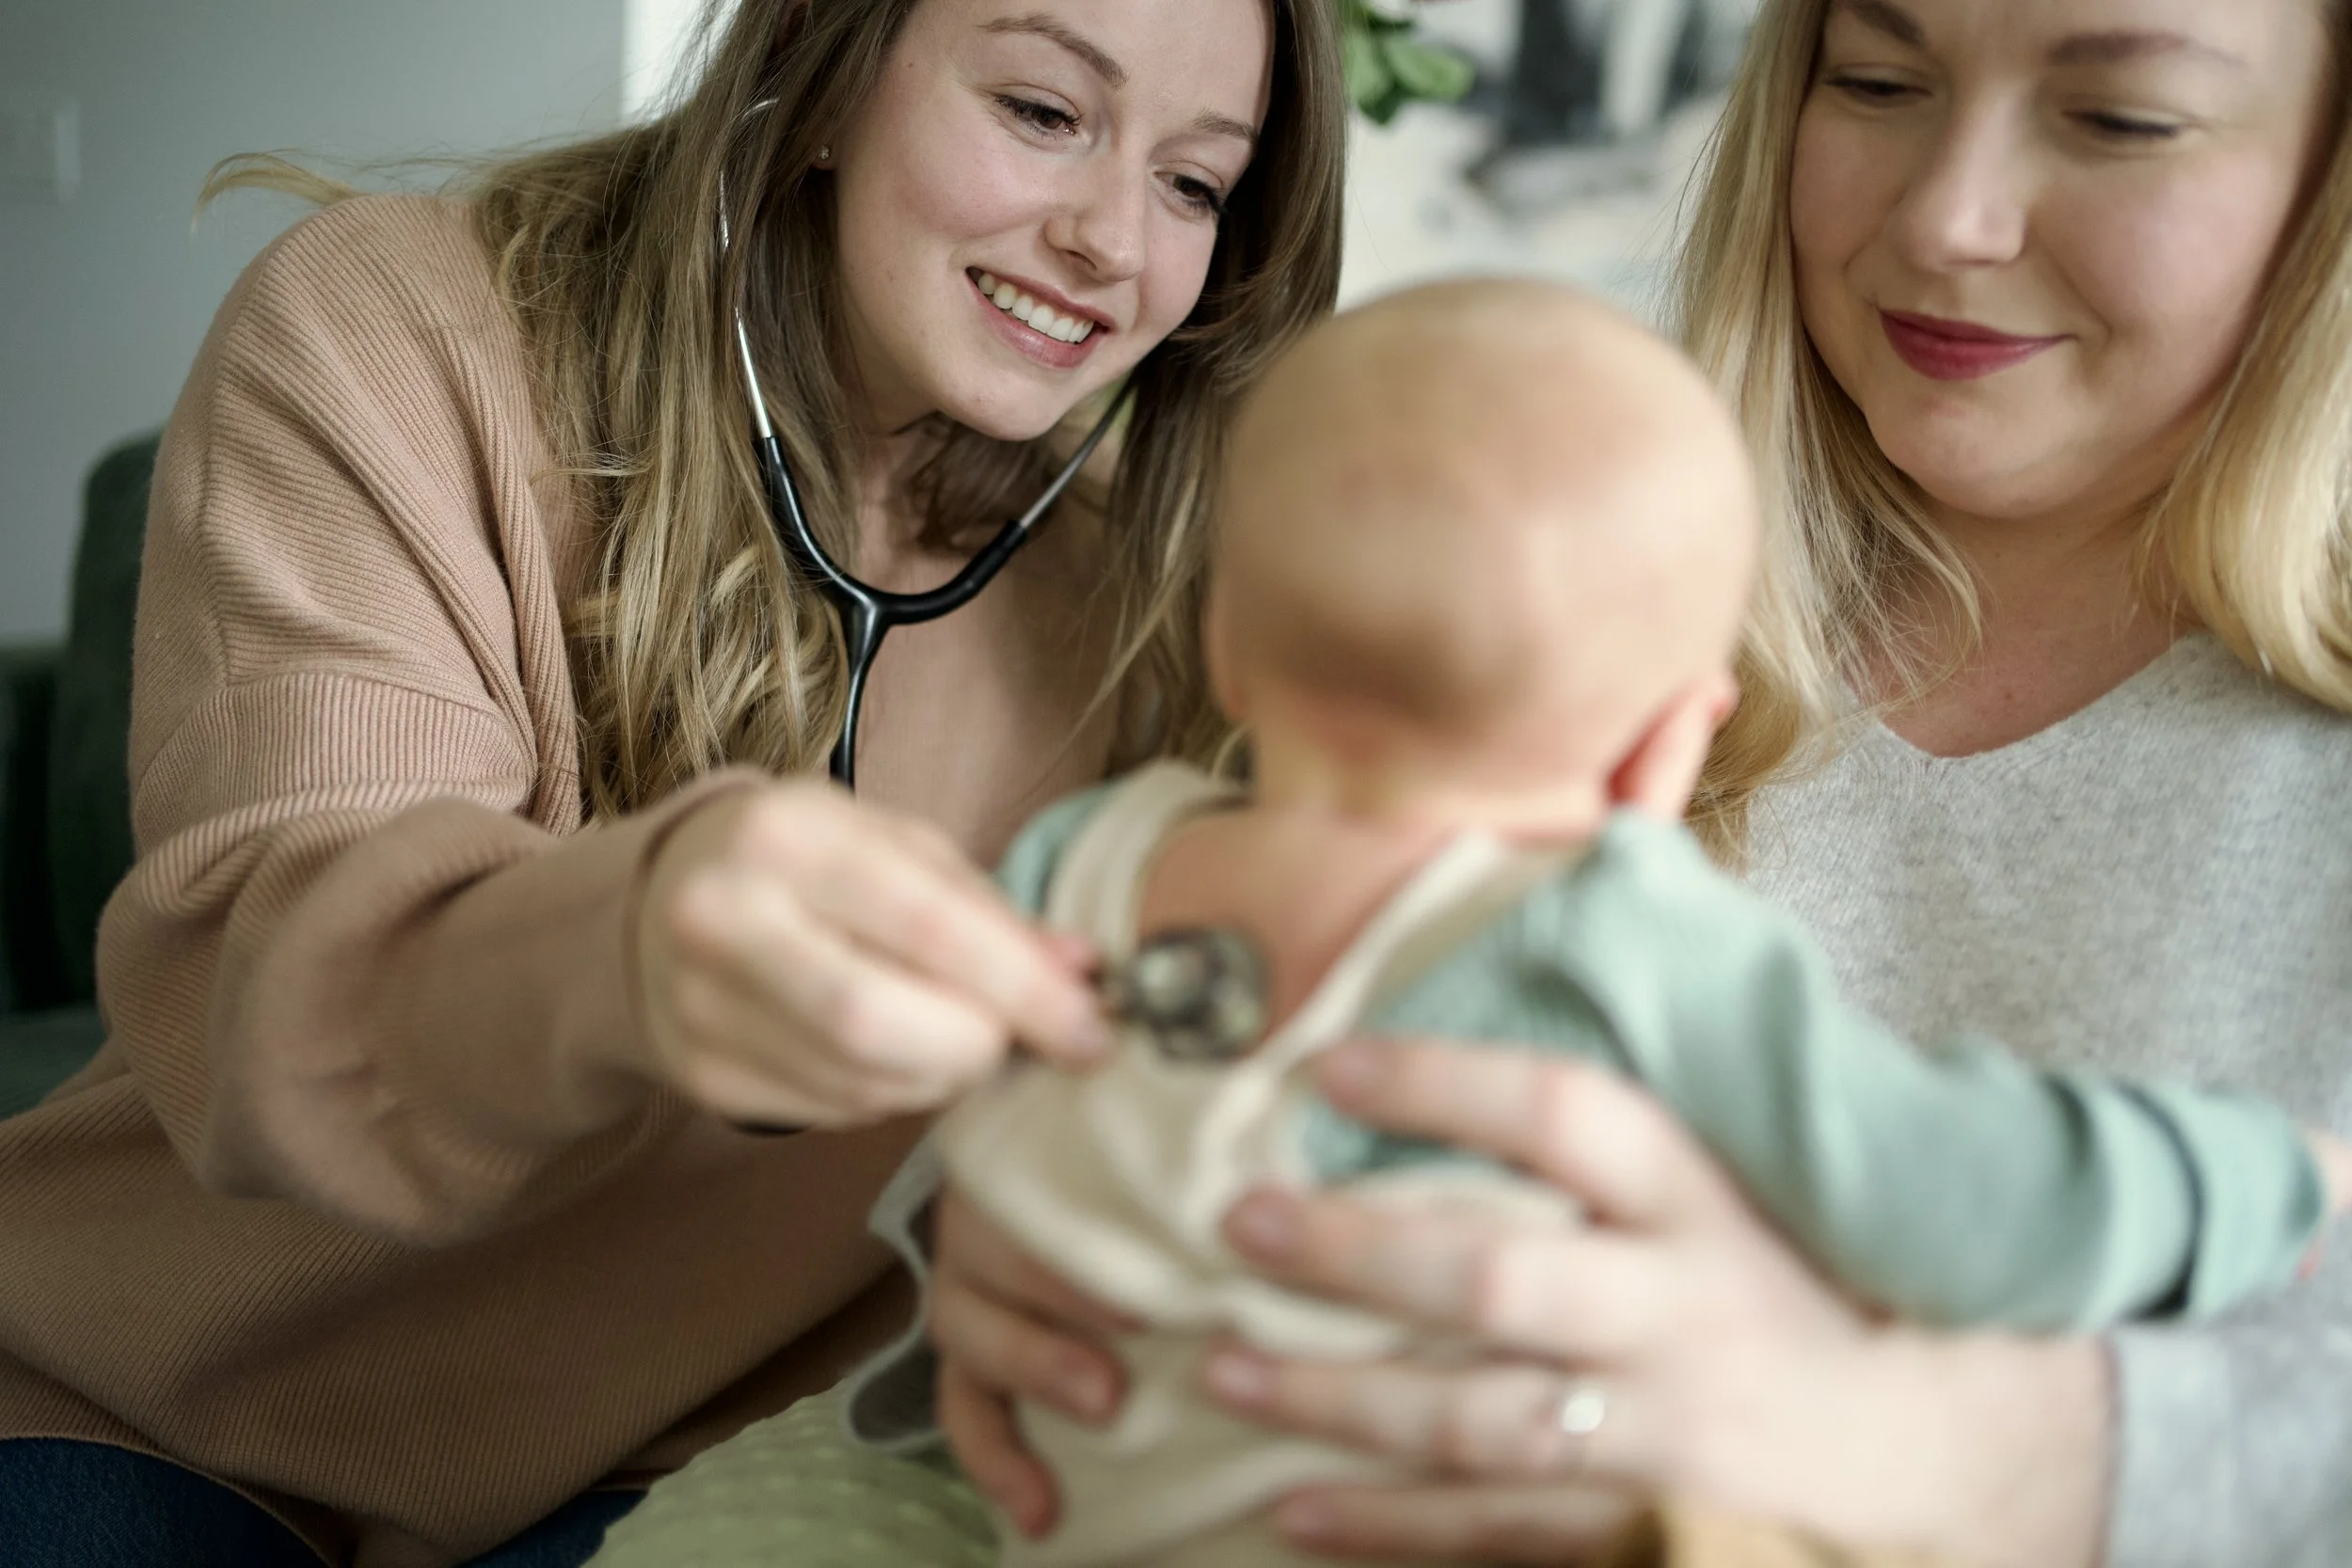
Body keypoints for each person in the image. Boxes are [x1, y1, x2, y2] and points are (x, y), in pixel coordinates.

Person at [583, 280, 2350, 1568]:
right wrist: (2258, 1183)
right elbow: (1955, 1194)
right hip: (1392, 1512)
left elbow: (980, 1120)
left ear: (1229, 663)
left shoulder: (1098, 858)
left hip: (1060, 1491)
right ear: (1678, 736)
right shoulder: (1613, 928)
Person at [928, 1, 2352, 1566]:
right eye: (1875, 82)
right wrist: (982, 1259)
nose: (1950, 220)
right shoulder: (1561, 585)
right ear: (1663, 736)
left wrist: (1940, 1444)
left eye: (2122, 119)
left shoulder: (1131, 834)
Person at [0, 1, 1346, 1563]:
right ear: (824, 67)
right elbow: (265, 979)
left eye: (1195, 184)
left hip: (708, 1473)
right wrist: (634, 942)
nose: (1115, 241)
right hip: (183, 1418)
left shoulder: (1156, 603)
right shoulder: (398, 331)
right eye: (1045, 111)